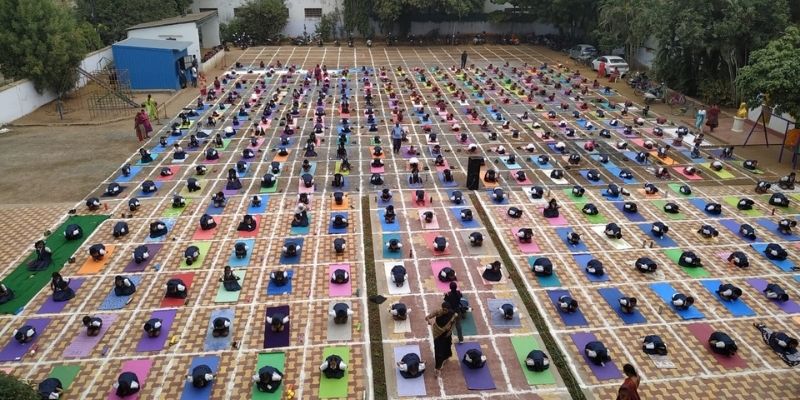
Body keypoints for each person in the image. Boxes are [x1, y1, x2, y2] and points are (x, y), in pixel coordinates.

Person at [426, 302, 459, 375]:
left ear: (449, 309)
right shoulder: (438, 311)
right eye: (443, 309)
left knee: (447, 345)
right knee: (438, 351)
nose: (444, 311)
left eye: (446, 310)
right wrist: (429, 321)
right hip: (438, 334)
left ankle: (446, 356)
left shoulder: (453, 314)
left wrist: (449, 332)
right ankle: (437, 368)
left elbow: (453, 324)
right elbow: (427, 317)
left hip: (447, 334)